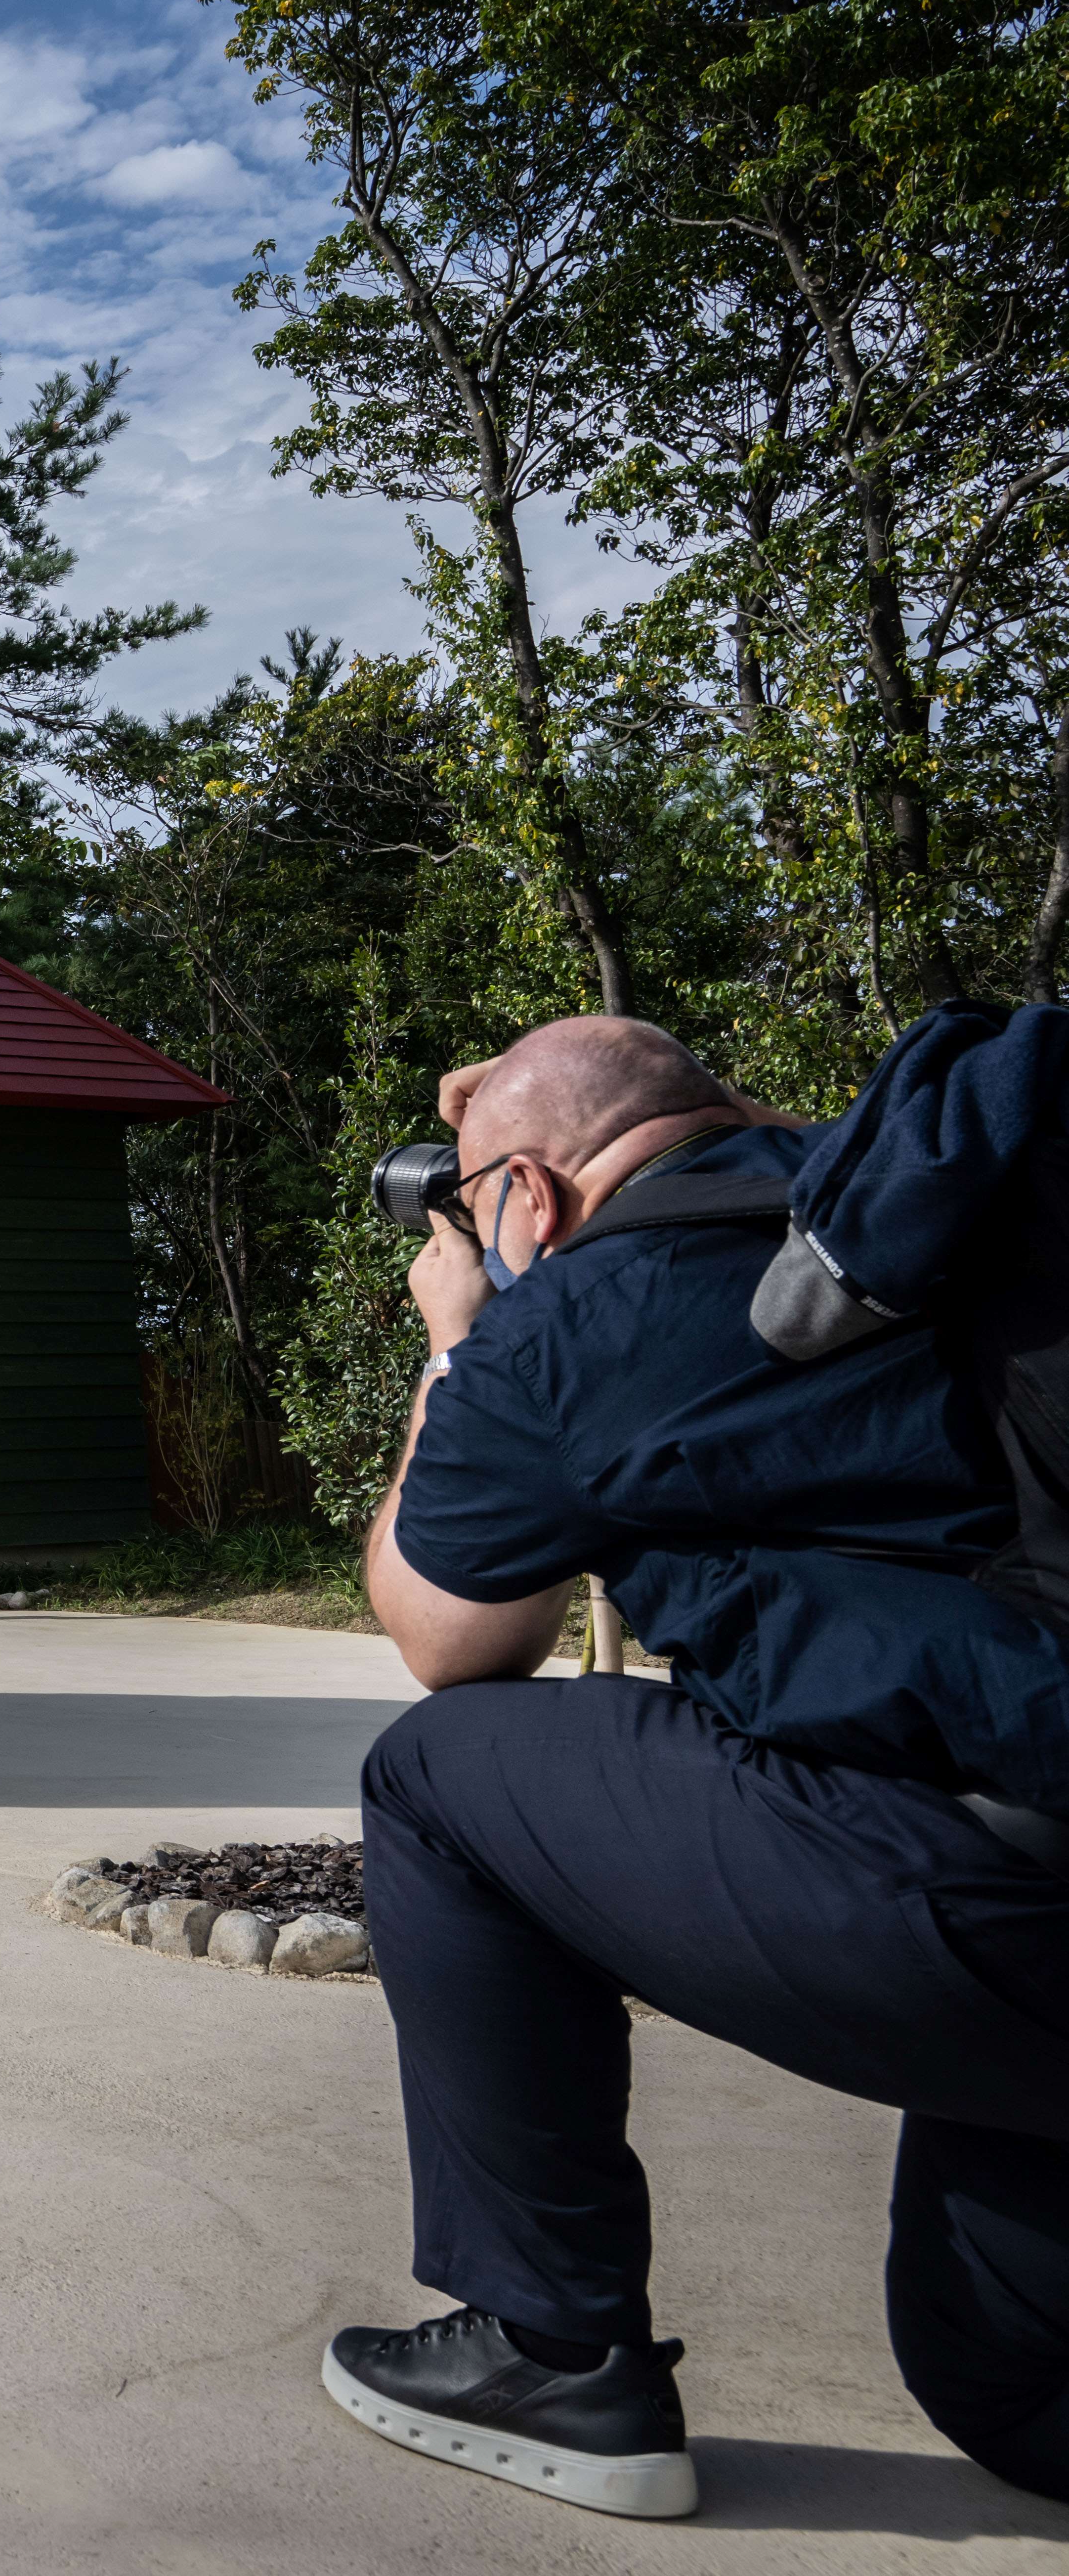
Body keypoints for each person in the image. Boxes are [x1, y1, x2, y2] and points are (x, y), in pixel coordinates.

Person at [337, 1007, 1069, 2518]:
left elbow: (446, 1634)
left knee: (438, 1771)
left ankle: (555, 2350)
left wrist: (458, 1346)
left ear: (526, 1197)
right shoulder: (935, 1202)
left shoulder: (572, 1324)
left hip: (999, 1904)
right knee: (1002, 2375)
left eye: (477, 1194)